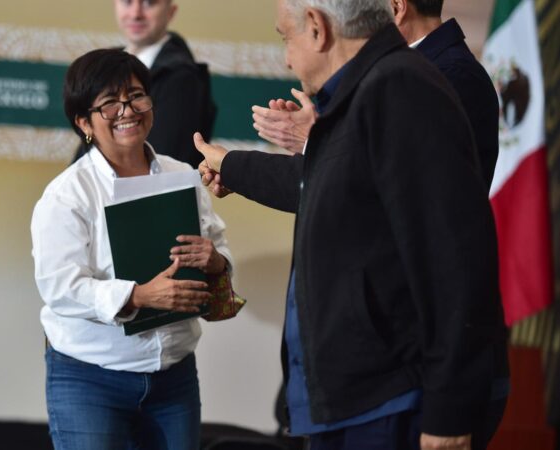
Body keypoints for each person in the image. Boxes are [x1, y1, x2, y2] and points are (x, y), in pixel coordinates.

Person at [195, 1, 508, 449]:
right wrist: (241, 164)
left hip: (395, 398)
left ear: (318, 30)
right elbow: (330, 186)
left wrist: (449, 410)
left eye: (286, 36)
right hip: (360, 393)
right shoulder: (367, 92)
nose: (286, 56)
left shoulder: (401, 87)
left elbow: (453, 258)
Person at [31, 48, 231, 450]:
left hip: (174, 375)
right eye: (109, 104)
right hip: (90, 377)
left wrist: (215, 261)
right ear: (84, 122)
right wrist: (139, 295)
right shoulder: (67, 194)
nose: (128, 110)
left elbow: (219, 247)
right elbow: (60, 287)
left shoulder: (184, 177)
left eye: (137, 96)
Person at [251, 0, 499, 190]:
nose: (357, 21)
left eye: (369, 9)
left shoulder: (452, 76)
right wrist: (325, 130)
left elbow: (396, 180)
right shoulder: (397, 73)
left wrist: (317, 139)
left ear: (396, 7)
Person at [71, 0, 216, 169]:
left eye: (149, 3)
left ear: (171, 11)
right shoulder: (104, 64)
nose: (135, 14)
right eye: (127, 2)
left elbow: (163, 170)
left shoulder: (184, 79)